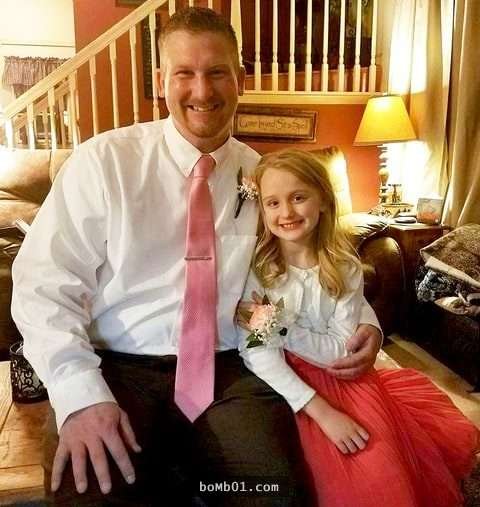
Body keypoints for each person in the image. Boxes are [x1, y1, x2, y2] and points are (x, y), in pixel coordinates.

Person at [11, 8, 383, 506]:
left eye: (217, 72)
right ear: (161, 82)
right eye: (184, 73)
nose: (202, 91)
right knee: (89, 490)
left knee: (275, 495)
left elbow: (305, 262)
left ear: (240, 80)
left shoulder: (264, 178)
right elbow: (43, 285)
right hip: (116, 368)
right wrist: (78, 395)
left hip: (231, 367)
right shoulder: (104, 162)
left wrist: (364, 318)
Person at [237, 148, 480, 507]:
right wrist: (321, 412)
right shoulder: (257, 269)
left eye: (298, 197)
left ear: (323, 200)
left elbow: (341, 350)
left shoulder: (345, 267)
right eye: (273, 203)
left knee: (379, 472)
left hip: (343, 380)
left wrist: (280, 328)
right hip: (281, 385)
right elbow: (258, 354)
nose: (286, 212)